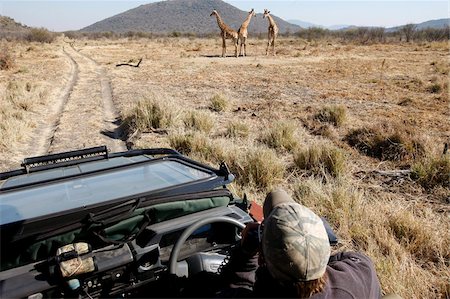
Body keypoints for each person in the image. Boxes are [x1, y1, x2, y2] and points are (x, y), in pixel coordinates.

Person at [217, 188, 382, 298]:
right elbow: (351, 258)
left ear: (261, 260)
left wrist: (245, 255)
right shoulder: (361, 274)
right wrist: (308, 256)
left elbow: (234, 287)